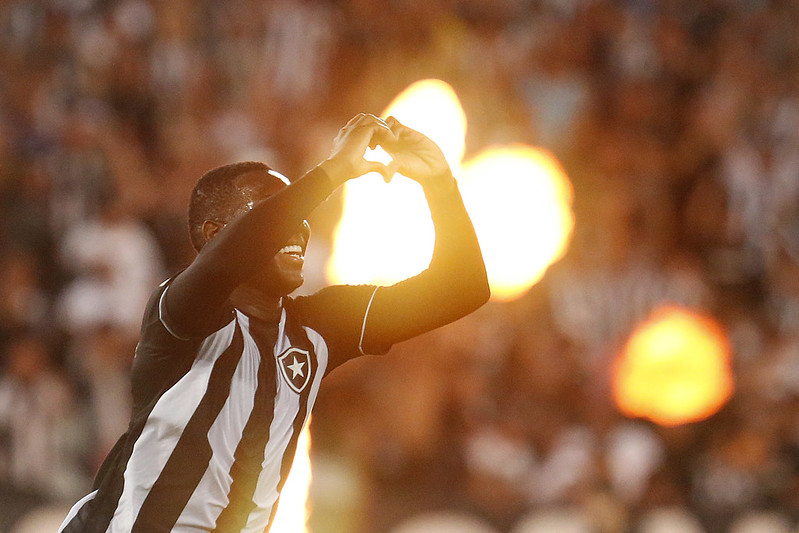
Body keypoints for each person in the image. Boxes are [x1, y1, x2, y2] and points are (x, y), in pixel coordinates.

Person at [58, 113, 490, 532]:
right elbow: (234, 255)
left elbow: (462, 288)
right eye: (276, 213)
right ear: (213, 234)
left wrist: (439, 183)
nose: (299, 227)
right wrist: (334, 171)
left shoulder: (318, 329)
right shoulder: (180, 314)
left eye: (300, 217)